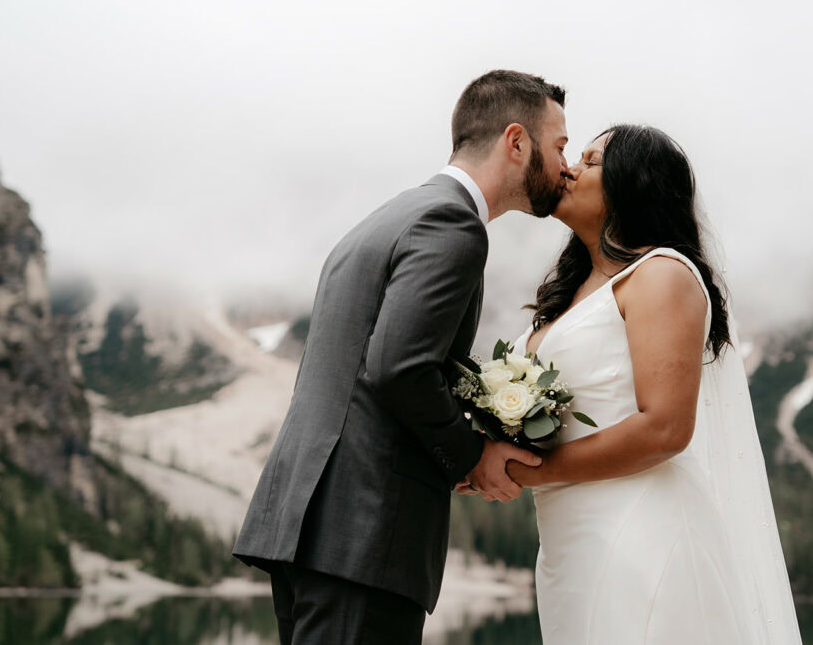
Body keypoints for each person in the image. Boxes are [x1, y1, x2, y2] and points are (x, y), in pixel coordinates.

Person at [233, 70, 570, 644]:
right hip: (366, 528)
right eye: (559, 146)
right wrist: (470, 456)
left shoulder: (388, 218)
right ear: (516, 142)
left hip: (314, 524)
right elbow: (399, 368)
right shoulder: (453, 225)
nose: (565, 166)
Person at [501, 124, 802, 644]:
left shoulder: (662, 274)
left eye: (592, 161)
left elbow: (664, 428)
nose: (570, 166)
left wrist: (529, 472)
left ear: (633, 182)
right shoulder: (570, 295)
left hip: (642, 533)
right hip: (569, 543)